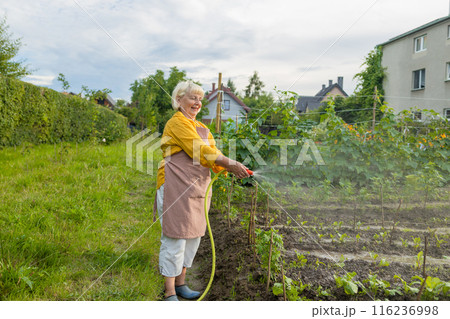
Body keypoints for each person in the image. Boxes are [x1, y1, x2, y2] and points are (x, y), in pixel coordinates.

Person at [155, 80, 249, 301]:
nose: (197, 102)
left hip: (197, 189)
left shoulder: (203, 128)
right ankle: (169, 292)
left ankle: (181, 284)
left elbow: (212, 154)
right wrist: (229, 162)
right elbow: (199, 150)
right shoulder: (177, 123)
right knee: (175, 237)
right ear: (179, 100)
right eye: (192, 98)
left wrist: (230, 168)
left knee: (193, 236)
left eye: (199, 98)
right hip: (175, 187)